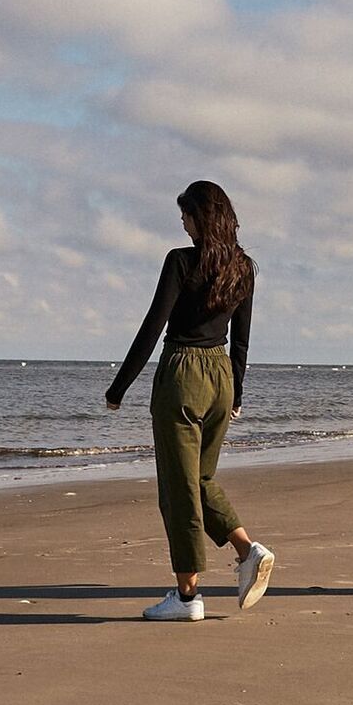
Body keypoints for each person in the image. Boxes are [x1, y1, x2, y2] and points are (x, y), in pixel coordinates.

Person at [104, 180, 272, 621]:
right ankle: (247, 551)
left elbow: (153, 326)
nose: (182, 221)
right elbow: (242, 341)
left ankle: (187, 596)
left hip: (182, 373)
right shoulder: (245, 267)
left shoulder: (180, 261)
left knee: (178, 490)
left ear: (203, 217)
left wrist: (119, 387)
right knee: (200, 478)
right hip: (220, 378)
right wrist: (237, 390)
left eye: (186, 214)